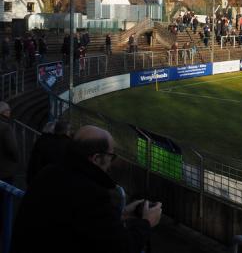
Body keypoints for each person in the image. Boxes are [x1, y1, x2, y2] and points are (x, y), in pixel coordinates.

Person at [12, 125, 162, 253]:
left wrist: (120, 215)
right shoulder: (90, 193)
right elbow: (121, 247)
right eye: (111, 156)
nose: (111, 162)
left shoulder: (49, 173)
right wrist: (146, 222)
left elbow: (80, 223)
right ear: (96, 158)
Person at [26, 120, 72, 186]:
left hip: (38, 179)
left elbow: (34, 161)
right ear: (67, 131)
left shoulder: (42, 141)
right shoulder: (69, 145)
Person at [0, 101, 19, 235]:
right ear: (4, 112)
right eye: (9, 111)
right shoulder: (5, 127)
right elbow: (13, 149)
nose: (10, 112)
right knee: (5, 203)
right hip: (4, 171)